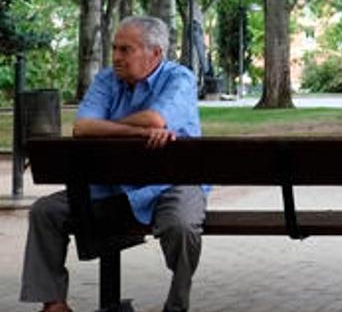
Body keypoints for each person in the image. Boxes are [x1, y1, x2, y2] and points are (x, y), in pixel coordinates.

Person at [21, 16, 206, 312]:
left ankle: (177, 304)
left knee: (181, 225)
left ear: (155, 53)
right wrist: (138, 132)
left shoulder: (179, 78)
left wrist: (107, 125)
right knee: (45, 211)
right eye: (115, 49)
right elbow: (82, 127)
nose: (116, 57)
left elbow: (155, 119)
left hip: (172, 182)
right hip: (112, 185)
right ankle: (54, 304)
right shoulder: (107, 79)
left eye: (125, 50)